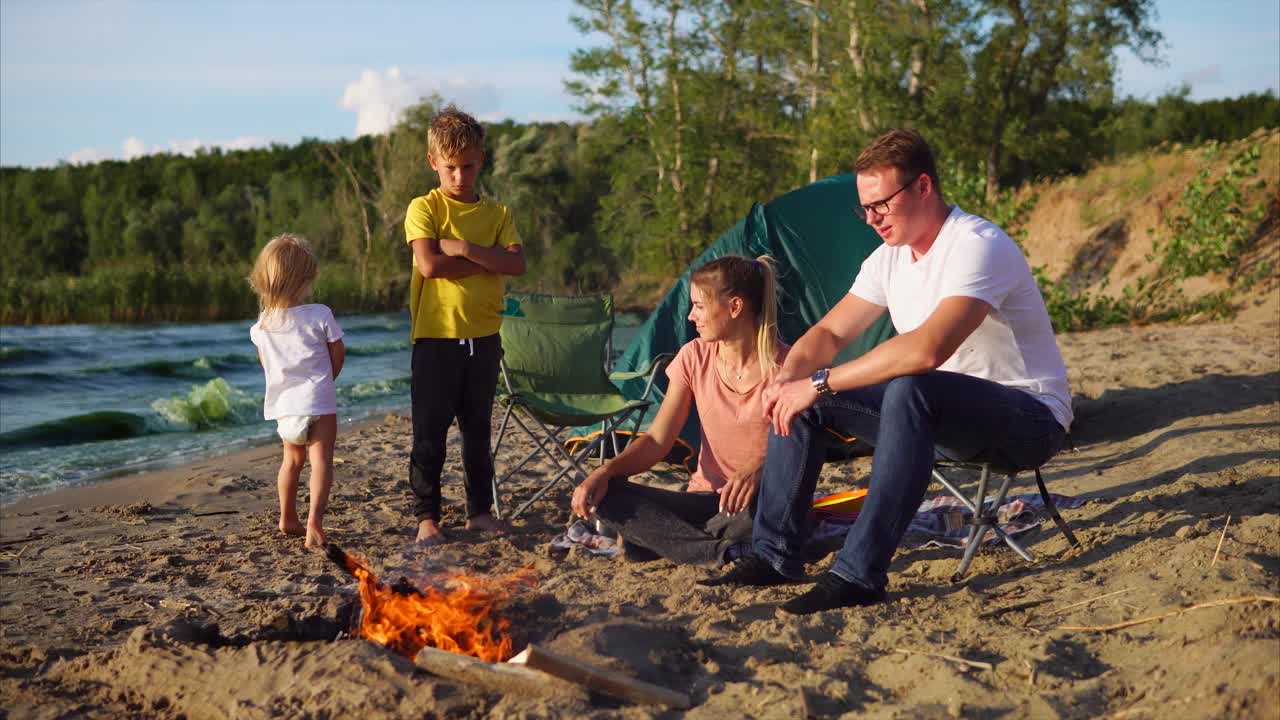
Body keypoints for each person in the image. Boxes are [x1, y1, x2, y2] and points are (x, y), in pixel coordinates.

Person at [702, 129, 1072, 615]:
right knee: (814, 403)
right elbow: (828, 335)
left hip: (1027, 419)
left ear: (923, 188)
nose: (872, 218)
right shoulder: (888, 259)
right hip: (935, 418)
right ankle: (774, 555)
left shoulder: (978, 245)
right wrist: (787, 381)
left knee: (907, 387)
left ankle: (859, 575)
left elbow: (927, 350)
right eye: (865, 208)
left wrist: (819, 382)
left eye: (882, 204)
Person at [570, 255, 788, 567]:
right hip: (703, 500)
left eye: (699, 305)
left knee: (770, 514)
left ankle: (673, 542)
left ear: (735, 307)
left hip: (754, 504)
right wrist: (604, 472)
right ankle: (719, 551)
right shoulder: (694, 356)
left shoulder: (789, 366)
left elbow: (804, 447)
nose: (690, 316)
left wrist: (762, 465)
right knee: (609, 496)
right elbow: (658, 439)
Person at [404, 105, 526, 546]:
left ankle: (479, 512)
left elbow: (517, 263)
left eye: (468, 166)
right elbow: (431, 265)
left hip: (484, 337)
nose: (460, 176)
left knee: (477, 431)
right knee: (429, 433)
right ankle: (427, 517)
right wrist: (486, 261)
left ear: (482, 161)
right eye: (451, 167)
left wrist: (467, 248)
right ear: (433, 162)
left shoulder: (498, 214)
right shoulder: (425, 208)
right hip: (435, 338)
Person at [248, 233, 346, 549]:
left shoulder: (262, 324)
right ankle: (314, 524)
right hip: (318, 400)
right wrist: (326, 382)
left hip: (285, 406)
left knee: (291, 462)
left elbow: (267, 366)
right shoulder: (320, 314)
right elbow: (338, 354)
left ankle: (288, 517)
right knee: (321, 462)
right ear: (307, 278)